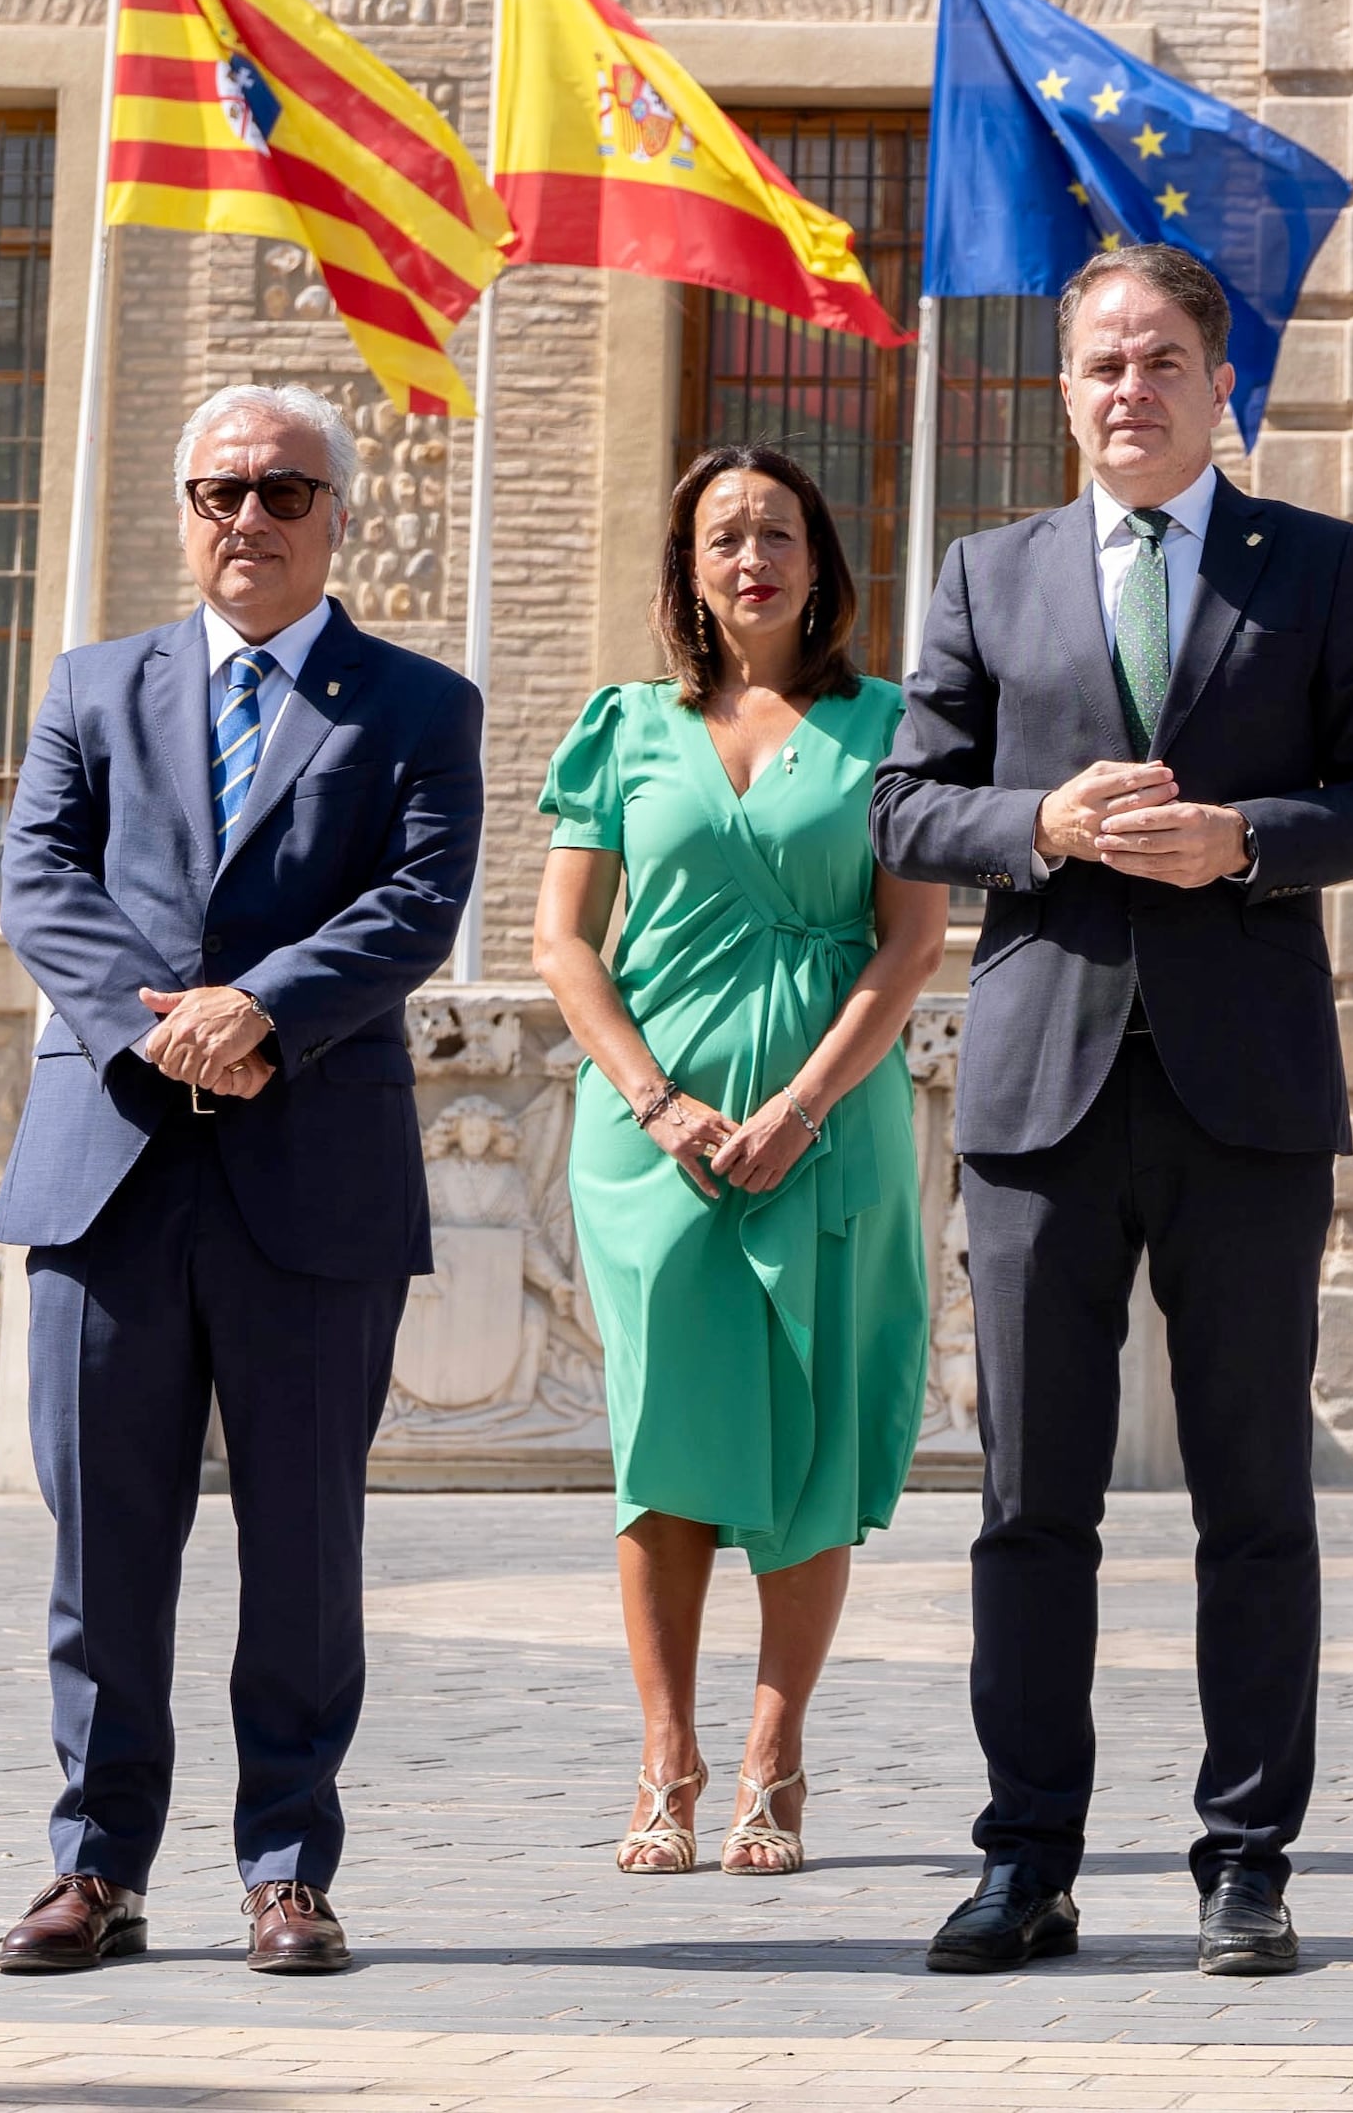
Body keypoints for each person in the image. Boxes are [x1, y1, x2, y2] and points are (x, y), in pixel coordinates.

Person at [874, 243, 1353, 1981]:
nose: (1130, 389)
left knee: (1255, 1495)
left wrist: (1245, 840)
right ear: (1067, 391)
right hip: (1042, 1097)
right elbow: (905, 807)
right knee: (1031, 1498)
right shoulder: (992, 570)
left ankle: (1247, 1860)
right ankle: (1025, 1855)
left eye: (1163, 361)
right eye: (1101, 364)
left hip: (1247, 1095)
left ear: (1221, 387)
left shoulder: (1316, 568)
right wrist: (1041, 824)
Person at [0, 383, 485, 1977]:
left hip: (310, 1171)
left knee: (305, 1544)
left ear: (334, 512)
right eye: (221, 492)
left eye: (283, 492)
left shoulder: (415, 703)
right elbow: (39, 881)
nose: (249, 520)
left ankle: (288, 1866)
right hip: (110, 1175)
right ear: (183, 511)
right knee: (103, 1546)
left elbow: (420, 898)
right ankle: (98, 1864)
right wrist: (174, 1026)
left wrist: (261, 1005)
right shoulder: (89, 686)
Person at [533, 446, 946, 1879]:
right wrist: (656, 1101)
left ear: (821, 563)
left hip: (828, 1127)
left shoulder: (890, 723)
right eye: (724, 534)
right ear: (689, 569)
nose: (753, 554)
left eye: (778, 530)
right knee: (667, 1444)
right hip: (655, 1138)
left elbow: (911, 940)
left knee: (813, 1436)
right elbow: (564, 940)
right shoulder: (624, 725)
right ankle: (666, 1754)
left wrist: (806, 1105)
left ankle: (774, 1753)